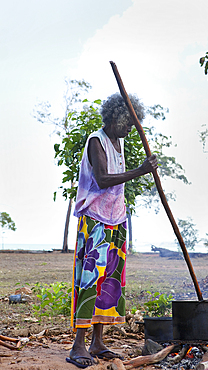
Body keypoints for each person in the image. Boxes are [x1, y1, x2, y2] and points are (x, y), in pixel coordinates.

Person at [66, 93, 158, 368]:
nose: (131, 128)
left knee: (110, 283)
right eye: (128, 122)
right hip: (95, 219)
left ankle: (98, 342)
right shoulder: (97, 141)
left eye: (134, 123)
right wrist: (141, 171)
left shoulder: (118, 143)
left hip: (117, 219)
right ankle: (78, 346)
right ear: (116, 118)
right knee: (90, 281)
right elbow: (103, 179)